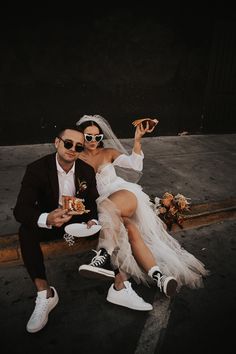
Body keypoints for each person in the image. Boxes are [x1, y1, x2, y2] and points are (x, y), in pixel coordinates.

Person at [76, 115, 210, 311]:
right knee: (129, 229)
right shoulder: (76, 159)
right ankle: (155, 277)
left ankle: (102, 254)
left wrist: (137, 139)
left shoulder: (108, 152)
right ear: (81, 137)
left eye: (98, 137)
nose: (94, 142)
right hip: (102, 204)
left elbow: (134, 165)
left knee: (108, 208)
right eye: (89, 137)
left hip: (122, 195)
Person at [13, 126, 99, 333]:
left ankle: (119, 284)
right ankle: (45, 293)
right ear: (57, 142)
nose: (72, 149)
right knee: (26, 231)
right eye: (68, 143)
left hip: (77, 225)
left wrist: (92, 221)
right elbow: (21, 210)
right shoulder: (37, 169)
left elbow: (93, 203)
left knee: (112, 225)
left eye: (78, 146)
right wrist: (47, 218)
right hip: (50, 223)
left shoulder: (86, 170)